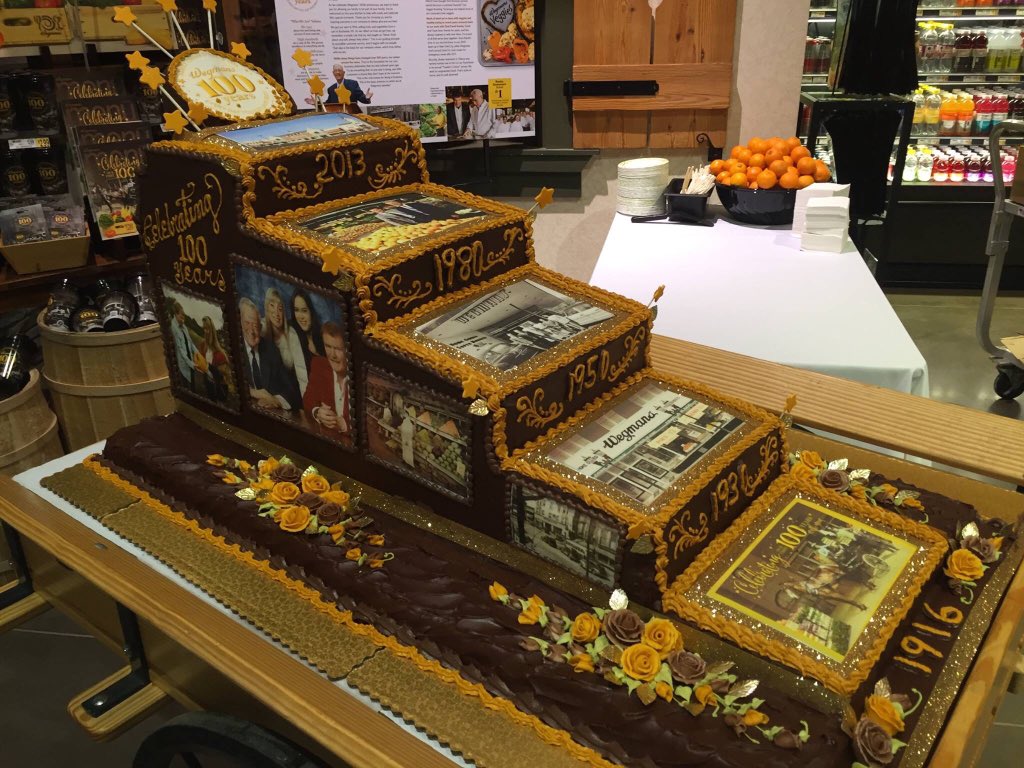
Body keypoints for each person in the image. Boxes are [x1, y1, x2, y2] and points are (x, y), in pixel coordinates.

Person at [239, 297, 301, 411]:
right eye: (247, 323)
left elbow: (291, 391)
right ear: (240, 324)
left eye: (255, 325)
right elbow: (226, 382)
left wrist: (276, 400)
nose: (252, 330)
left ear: (260, 325)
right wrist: (253, 392)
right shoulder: (234, 346)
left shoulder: (271, 350)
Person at [303, 321, 351, 439]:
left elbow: (370, 427)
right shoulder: (319, 365)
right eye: (328, 346)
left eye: (338, 349)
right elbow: (307, 399)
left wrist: (344, 425)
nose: (332, 355)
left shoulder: (362, 377)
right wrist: (317, 412)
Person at [263, 287, 308, 396]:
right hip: (267, 390)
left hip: (290, 391)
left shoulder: (291, 334)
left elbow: (301, 373)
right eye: (272, 306)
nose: (276, 313)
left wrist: (307, 403)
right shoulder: (261, 329)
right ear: (267, 310)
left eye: (280, 308)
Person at [289, 289, 325, 378]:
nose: (300, 316)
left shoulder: (323, 335)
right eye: (296, 310)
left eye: (304, 310)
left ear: (312, 312)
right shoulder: (293, 333)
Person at [197, 316, 231, 402]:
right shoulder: (202, 346)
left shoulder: (220, 354)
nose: (206, 332)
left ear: (212, 330)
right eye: (204, 329)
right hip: (208, 386)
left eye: (208, 329)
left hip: (219, 390)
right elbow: (200, 364)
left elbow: (225, 377)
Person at [169, 299, 198, 392]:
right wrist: (191, 364)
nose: (183, 317)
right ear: (176, 314)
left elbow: (190, 342)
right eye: (181, 314)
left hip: (190, 361)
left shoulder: (183, 326)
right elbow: (180, 350)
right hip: (183, 365)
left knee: (194, 388)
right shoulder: (173, 329)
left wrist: (197, 354)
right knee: (187, 389)